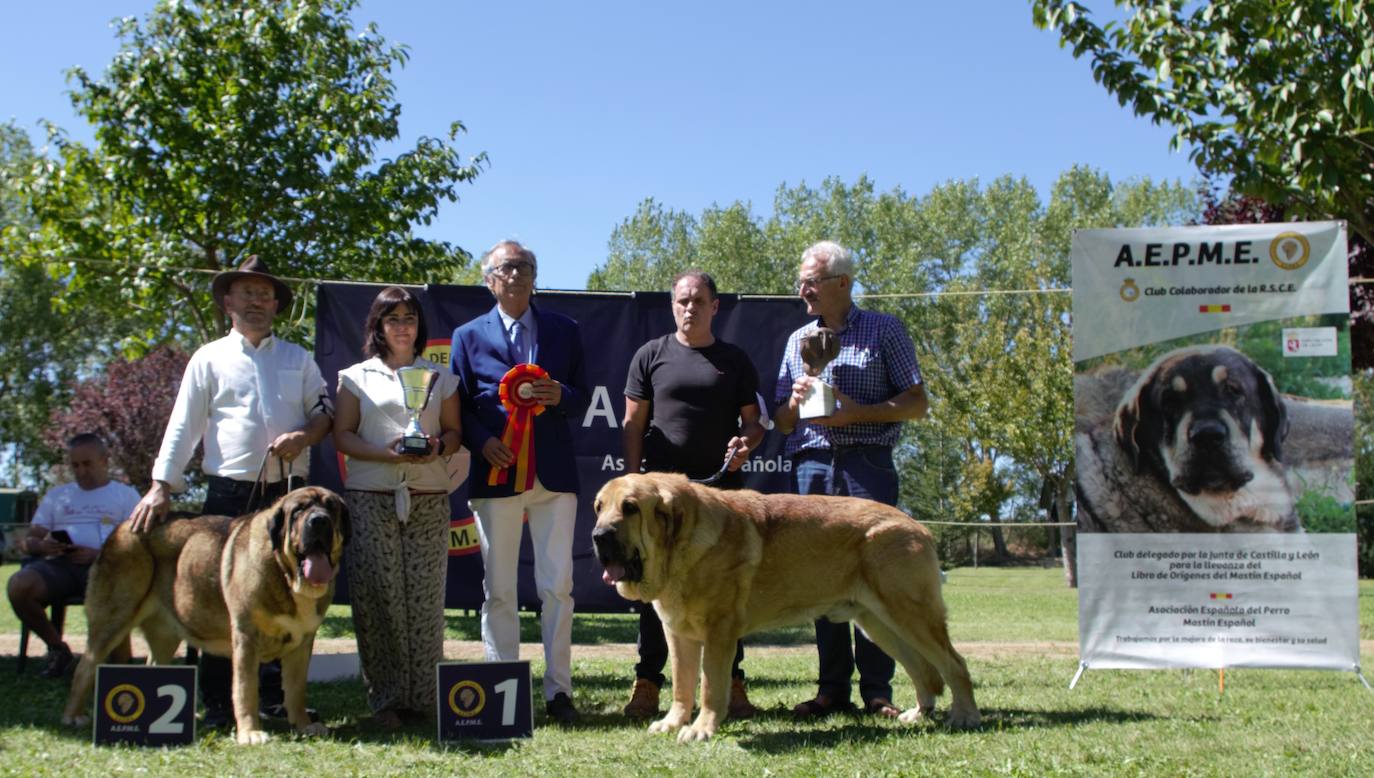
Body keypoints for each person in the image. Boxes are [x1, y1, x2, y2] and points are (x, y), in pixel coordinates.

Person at [128, 255, 333, 729]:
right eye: (247, 293)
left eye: (266, 294)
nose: (258, 301)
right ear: (227, 301)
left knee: (289, 596)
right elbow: (184, 426)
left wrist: (305, 436)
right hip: (227, 497)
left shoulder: (298, 358)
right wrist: (161, 485)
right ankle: (220, 704)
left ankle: (278, 701)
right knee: (224, 601)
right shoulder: (208, 358)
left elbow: (323, 414)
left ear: (277, 304)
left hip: (288, 498)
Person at [771, 240, 929, 720]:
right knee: (819, 578)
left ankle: (878, 692)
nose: (803, 290)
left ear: (842, 282)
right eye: (800, 281)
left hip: (867, 463)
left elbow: (917, 403)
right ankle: (830, 690)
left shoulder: (885, 330)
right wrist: (796, 402)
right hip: (811, 465)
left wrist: (856, 413)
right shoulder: (798, 339)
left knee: (877, 576)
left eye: (811, 281)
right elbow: (780, 422)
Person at [451, 240, 589, 725]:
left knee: (559, 587)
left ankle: (559, 692)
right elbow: (459, 405)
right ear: (489, 279)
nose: (517, 274)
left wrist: (560, 395)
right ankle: (502, 690)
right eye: (507, 267)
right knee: (500, 589)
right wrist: (482, 440)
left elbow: (583, 395)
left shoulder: (564, 330)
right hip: (495, 470)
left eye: (526, 266)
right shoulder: (466, 336)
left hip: (553, 476)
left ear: (535, 277)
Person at [620, 270, 765, 721]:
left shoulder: (734, 359)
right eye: (683, 300)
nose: (690, 307)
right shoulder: (651, 355)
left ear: (715, 307)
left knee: (724, 594)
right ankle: (647, 682)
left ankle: (732, 684)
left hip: (720, 500)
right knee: (651, 587)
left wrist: (747, 443)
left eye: (699, 300)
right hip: (660, 503)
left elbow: (754, 423)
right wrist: (631, 483)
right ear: (672, 305)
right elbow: (632, 423)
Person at [333, 286, 461, 730]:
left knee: (424, 602)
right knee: (378, 597)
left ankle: (423, 699)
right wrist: (387, 455)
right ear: (378, 327)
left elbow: (453, 433)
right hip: (371, 497)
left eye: (410, 318)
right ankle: (386, 699)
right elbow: (342, 435)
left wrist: (438, 446)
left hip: (427, 496)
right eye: (393, 318)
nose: (403, 326)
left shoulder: (440, 377)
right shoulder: (355, 377)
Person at [7, 433, 139, 678]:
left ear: (104, 460)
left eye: (87, 463)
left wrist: (99, 555)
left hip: (106, 568)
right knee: (19, 586)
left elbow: (139, 544)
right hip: (60, 566)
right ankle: (58, 649)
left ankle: (119, 670)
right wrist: (42, 546)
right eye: (75, 465)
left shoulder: (126, 496)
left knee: (117, 597)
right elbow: (31, 540)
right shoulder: (58, 496)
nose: (81, 471)